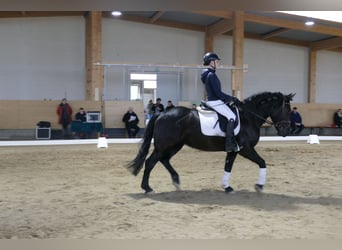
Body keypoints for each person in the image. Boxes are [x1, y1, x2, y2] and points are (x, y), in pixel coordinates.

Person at [201, 52, 241, 152]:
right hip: (215, 101)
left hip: (212, 100)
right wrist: (231, 98)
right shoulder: (211, 75)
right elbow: (218, 93)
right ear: (211, 62)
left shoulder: (207, 74)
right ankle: (229, 144)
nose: (218, 63)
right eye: (217, 61)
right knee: (232, 116)